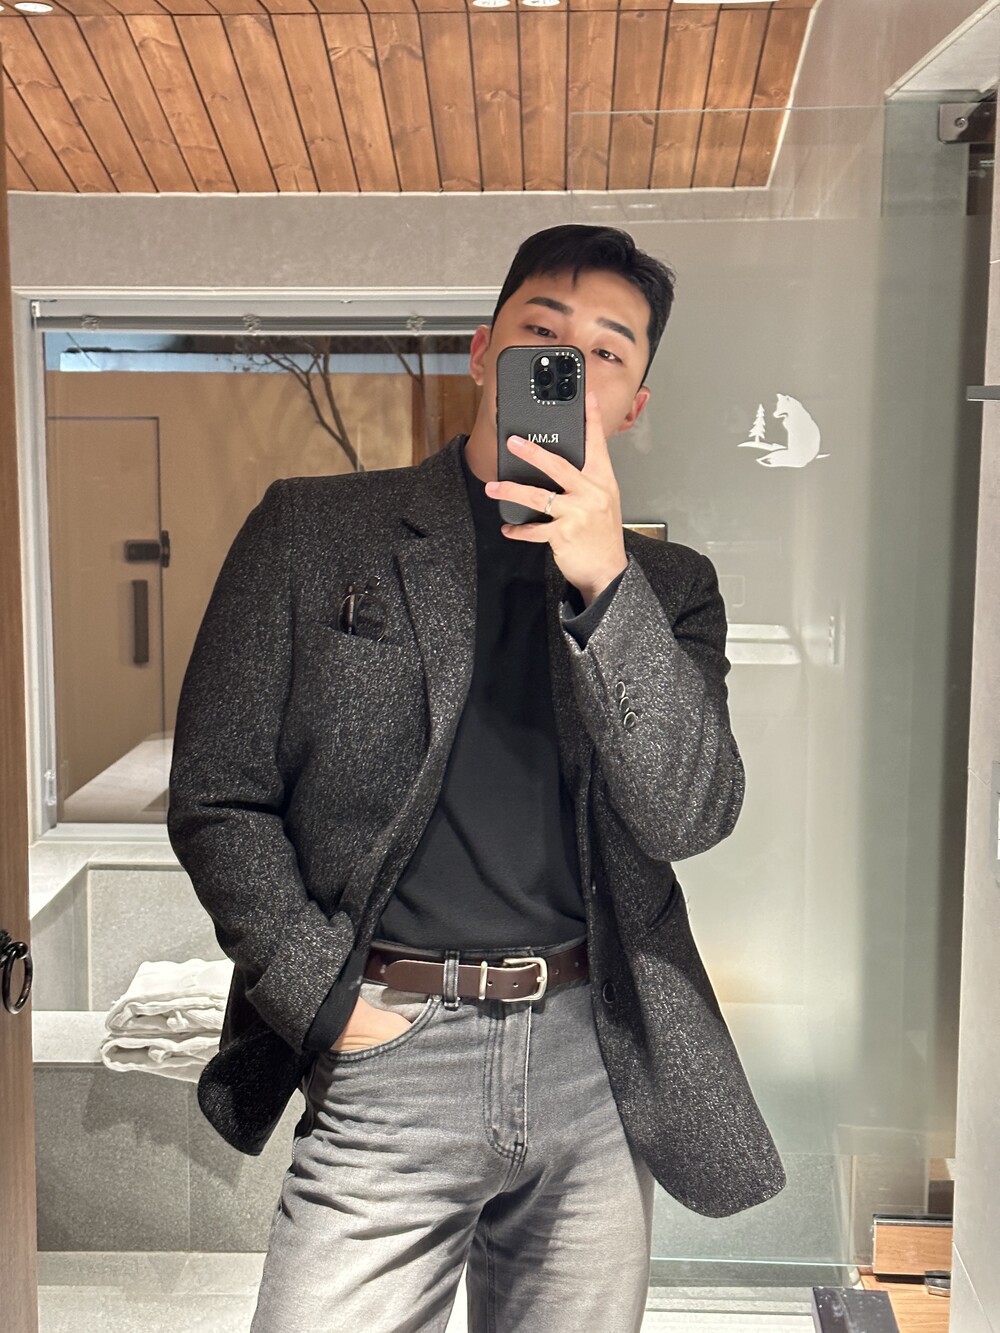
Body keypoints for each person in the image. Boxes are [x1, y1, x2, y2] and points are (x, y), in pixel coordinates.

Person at [167, 224, 786, 1333]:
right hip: (389, 1047)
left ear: (633, 404)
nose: (570, 365)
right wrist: (325, 1001)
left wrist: (605, 585)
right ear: (482, 351)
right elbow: (218, 794)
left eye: (606, 352)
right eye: (542, 334)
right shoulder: (312, 532)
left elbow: (690, 812)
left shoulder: (670, 587)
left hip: (592, 1053)